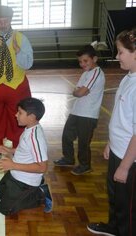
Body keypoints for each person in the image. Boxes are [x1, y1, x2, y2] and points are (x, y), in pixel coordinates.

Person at [87, 29, 136, 236]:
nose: (117, 57)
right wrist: (110, 142)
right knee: (115, 196)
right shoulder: (128, 78)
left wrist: (125, 166)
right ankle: (114, 227)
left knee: (129, 205)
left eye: (121, 52)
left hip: (130, 159)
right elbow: (120, 117)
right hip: (118, 150)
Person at [0, 5, 33, 163]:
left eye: (5, 21)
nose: (2, 25)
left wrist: (18, 51)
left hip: (16, 86)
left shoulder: (21, 38)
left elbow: (28, 64)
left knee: (19, 118)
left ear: (10, 21)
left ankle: (16, 150)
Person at [0, 97, 52, 215]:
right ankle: (32, 191)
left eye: (20, 112)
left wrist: (12, 165)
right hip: (16, 173)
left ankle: (41, 194)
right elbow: (24, 150)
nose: (16, 115)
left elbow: (42, 167)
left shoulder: (35, 138)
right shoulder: (29, 129)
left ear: (31, 117)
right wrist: (9, 150)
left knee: (5, 209)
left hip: (26, 181)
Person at [54, 45, 105, 175]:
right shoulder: (85, 73)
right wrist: (78, 91)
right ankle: (68, 158)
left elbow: (80, 92)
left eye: (85, 61)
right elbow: (78, 91)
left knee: (83, 142)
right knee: (67, 136)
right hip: (76, 111)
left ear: (94, 59)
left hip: (88, 115)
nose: (82, 64)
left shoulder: (96, 73)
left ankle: (85, 165)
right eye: (80, 61)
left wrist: (78, 91)